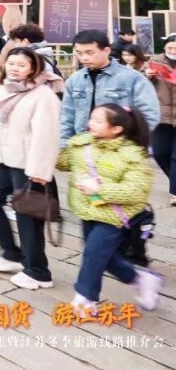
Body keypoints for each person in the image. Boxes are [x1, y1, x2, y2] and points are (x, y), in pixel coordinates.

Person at [56, 104, 163, 317]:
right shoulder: (82, 145)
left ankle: (85, 299)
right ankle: (141, 279)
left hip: (115, 215)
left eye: (98, 121)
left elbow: (136, 191)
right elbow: (62, 163)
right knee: (102, 255)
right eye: (91, 118)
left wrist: (100, 189)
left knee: (94, 252)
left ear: (116, 129)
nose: (90, 123)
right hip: (88, 210)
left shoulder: (132, 155)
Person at [0, 48, 62, 291]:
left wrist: (40, 171)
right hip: (3, 159)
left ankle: (38, 271)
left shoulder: (43, 95)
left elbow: (47, 136)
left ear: (33, 68)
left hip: (27, 164)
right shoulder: (3, 89)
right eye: (11, 63)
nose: (14, 68)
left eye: (21, 65)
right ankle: (12, 253)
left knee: (27, 216)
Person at [60, 30, 160, 148]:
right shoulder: (74, 80)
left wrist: (133, 146)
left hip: (122, 148)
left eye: (89, 52)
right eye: (79, 53)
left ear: (106, 51)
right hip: (82, 148)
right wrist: (64, 146)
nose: (84, 58)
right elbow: (67, 117)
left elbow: (149, 115)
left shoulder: (133, 78)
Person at [145, 34, 176, 206]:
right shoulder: (155, 61)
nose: (173, 51)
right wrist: (147, 76)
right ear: (164, 47)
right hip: (161, 115)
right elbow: (143, 84)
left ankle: (175, 192)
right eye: (170, 48)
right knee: (160, 153)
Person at [0, 23, 64, 92]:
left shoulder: (39, 60)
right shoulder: (39, 56)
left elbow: (42, 89)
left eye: (16, 42)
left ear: (25, 41)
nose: (14, 45)